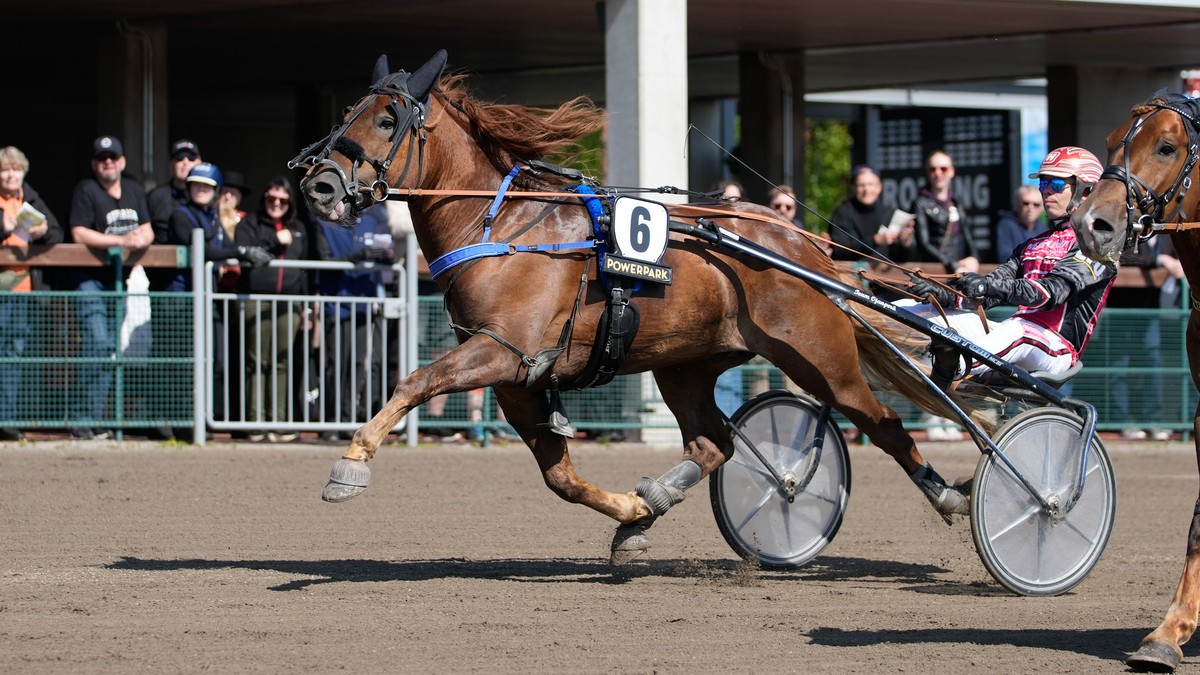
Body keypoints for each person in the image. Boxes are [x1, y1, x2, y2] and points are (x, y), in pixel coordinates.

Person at [908, 146, 1115, 382]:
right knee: (926, 311)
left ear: (1086, 191)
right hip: (1013, 334)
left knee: (1017, 330)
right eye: (1044, 184)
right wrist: (943, 296)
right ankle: (870, 343)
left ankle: (949, 367)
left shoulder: (1096, 245)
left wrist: (987, 287)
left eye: (1056, 185)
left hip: (1056, 348)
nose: (1046, 192)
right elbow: (990, 291)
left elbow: (1050, 293)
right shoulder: (1032, 244)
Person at [67, 136, 155, 440]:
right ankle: (81, 419)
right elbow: (78, 232)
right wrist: (121, 241)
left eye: (113, 157)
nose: (108, 162)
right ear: (95, 163)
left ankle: (94, 418)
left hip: (120, 278)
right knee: (97, 340)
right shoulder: (86, 190)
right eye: (102, 158)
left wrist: (141, 238)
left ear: (122, 161)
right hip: (89, 279)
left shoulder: (132, 189)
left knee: (109, 348)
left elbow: (147, 228)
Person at [236, 177, 313, 442]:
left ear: (289, 203)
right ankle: (255, 421)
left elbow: (304, 271)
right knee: (257, 360)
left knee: (282, 362)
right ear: (264, 199)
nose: (276, 205)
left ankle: (278, 420)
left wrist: (306, 307)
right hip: (257, 299)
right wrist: (274, 241)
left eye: (282, 201)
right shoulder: (250, 224)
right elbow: (243, 251)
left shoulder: (299, 228)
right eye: (272, 199)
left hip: (289, 303)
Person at [0, 146, 64, 441]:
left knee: (16, 350)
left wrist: (43, 232)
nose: (11, 174)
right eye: (5, 169)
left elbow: (57, 232)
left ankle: (9, 417)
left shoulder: (31, 197)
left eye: (15, 169)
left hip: (24, 288)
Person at [314, 202, 393, 440]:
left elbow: (389, 251)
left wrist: (384, 256)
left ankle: (348, 417)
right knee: (336, 364)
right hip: (336, 304)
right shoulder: (323, 223)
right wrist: (354, 257)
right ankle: (331, 421)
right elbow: (323, 259)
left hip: (364, 305)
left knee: (358, 363)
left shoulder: (371, 218)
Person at [907, 150, 979, 274]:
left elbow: (967, 234)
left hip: (960, 268)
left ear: (952, 171)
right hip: (935, 271)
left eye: (943, 169)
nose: (938, 173)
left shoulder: (956, 200)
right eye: (932, 169)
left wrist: (974, 257)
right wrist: (952, 264)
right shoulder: (920, 203)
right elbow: (923, 244)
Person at [829, 164, 912, 264]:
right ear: (853, 187)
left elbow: (900, 258)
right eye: (861, 185)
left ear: (879, 187)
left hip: (886, 277)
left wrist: (905, 244)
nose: (866, 190)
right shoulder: (842, 213)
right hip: (851, 274)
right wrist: (875, 241)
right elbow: (839, 251)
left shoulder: (889, 212)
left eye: (871, 184)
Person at [147, 139, 202, 244]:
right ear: (171, 163)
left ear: (199, 162)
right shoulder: (156, 196)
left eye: (191, 158)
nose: (185, 162)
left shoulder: (207, 196)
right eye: (179, 158)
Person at [994, 185, 1046, 262]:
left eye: (1036, 205)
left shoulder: (1044, 229)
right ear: (1017, 204)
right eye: (1026, 203)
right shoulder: (1006, 224)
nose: (1030, 208)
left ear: (1042, 207)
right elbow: (1004, 256)